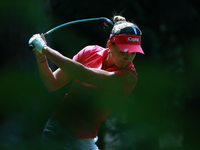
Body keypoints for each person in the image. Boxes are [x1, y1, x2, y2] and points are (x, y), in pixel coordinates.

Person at [29, 15, 144, 150]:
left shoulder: (129, 77)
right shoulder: (90, 52)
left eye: (133, 53)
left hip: (83, 141)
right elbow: (52, 83)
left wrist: (45, 49)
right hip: (57, 131)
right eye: (123, 51)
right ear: (109, 45)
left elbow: (84, 74)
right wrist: (41, 57)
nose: (128, 57)